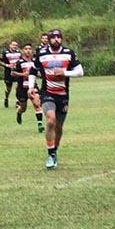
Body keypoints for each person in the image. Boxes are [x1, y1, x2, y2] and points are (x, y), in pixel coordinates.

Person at [28, 29, 84, 169]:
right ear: (48, 39)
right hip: (47, 93)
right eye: (53, 37)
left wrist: (65, 72)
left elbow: (80, 72)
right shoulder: (41, 53)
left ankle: (54, 151)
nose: (56, 39)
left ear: (62, 39)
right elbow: (33, 71)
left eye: (58, 37)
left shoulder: (68, 53)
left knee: (58, 127)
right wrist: (30, 87)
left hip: (63, 95)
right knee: (51, 119)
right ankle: (51, 154)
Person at [11, 43, 44, 132]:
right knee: (23, 108)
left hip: (33, 87)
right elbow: (12, 73)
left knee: (37, 104)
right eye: (26, 49)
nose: (28, 50)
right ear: (22, 51)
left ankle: (40, 124)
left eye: (29, 49)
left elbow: (41, 74)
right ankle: (19, 112)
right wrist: (22, 74)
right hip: (22, 88)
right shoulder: (19, 62)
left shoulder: (35, 62)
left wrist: (38, 74)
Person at [0, 41, 22, 108]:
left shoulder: (19, 52)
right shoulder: (5, 52)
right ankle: (6, 98)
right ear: (10, 45)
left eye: (16, 45)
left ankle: (18, 101)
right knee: (8, 88)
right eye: (13, 45)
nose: (14, 46)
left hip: (17, 72)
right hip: (8, 72)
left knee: (18, 86)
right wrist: (7, 65)